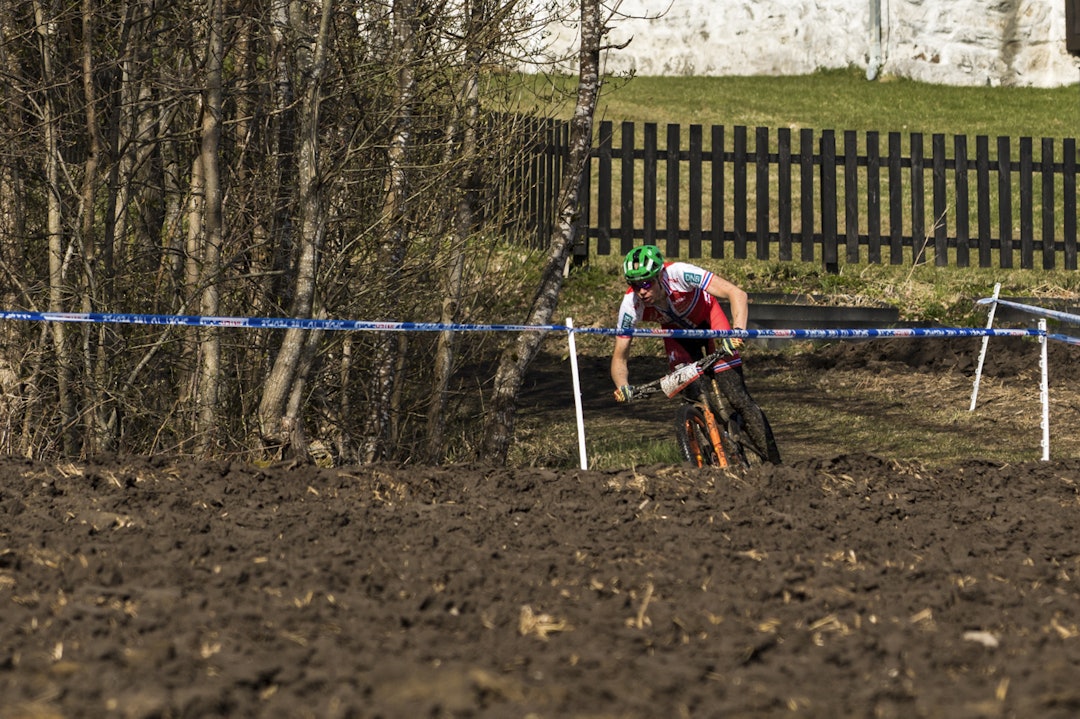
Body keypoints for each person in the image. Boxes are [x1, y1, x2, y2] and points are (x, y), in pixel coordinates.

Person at [611, 244, 781, 464]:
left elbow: (737, 293)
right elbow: (620, 355)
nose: (641, 291)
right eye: (634, 285)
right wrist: (622, 386)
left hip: (710, 323)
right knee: (691, 394)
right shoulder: (631, 304)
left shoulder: (679, 273)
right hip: (677, 336)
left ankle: (775, 463)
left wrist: (737, 332)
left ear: (660, 275)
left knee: (737, 397)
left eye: (646, 283)